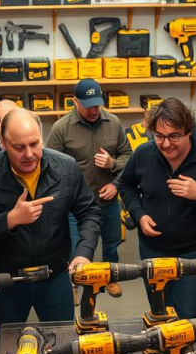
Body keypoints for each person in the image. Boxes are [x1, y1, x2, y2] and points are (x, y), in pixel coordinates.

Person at [0, 108, 101, 326]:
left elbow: (89, 212)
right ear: (3, 142)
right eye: (19, 147)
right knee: (8, 341)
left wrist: (84, 252)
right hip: (7, 282)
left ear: (41, 137)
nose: (29, 154)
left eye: (34, 144)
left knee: (63, 340)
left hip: (55, 278)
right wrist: (10, 219)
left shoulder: (66, 167)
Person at [116, 98, 196, 319]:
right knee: (160, 314)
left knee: (184, 317)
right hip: (152, 250)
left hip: (193, 253)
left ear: (189, 130)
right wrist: (139, 215)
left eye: (174, 136)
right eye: (159, 136)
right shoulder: (143, 154)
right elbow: (126, 185)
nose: (166, 144)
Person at [46, 79, 132, 297]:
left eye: (97, 104)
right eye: (88, 106)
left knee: (111, 243)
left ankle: (111, 277)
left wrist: (113, 174)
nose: (94, 110)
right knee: (77, 246)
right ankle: (73, 283)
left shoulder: (113, 123)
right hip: (76, 206)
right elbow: (51, 168)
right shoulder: (60, 129)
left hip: (108, 200)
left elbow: (127, 157)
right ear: (75, 102)